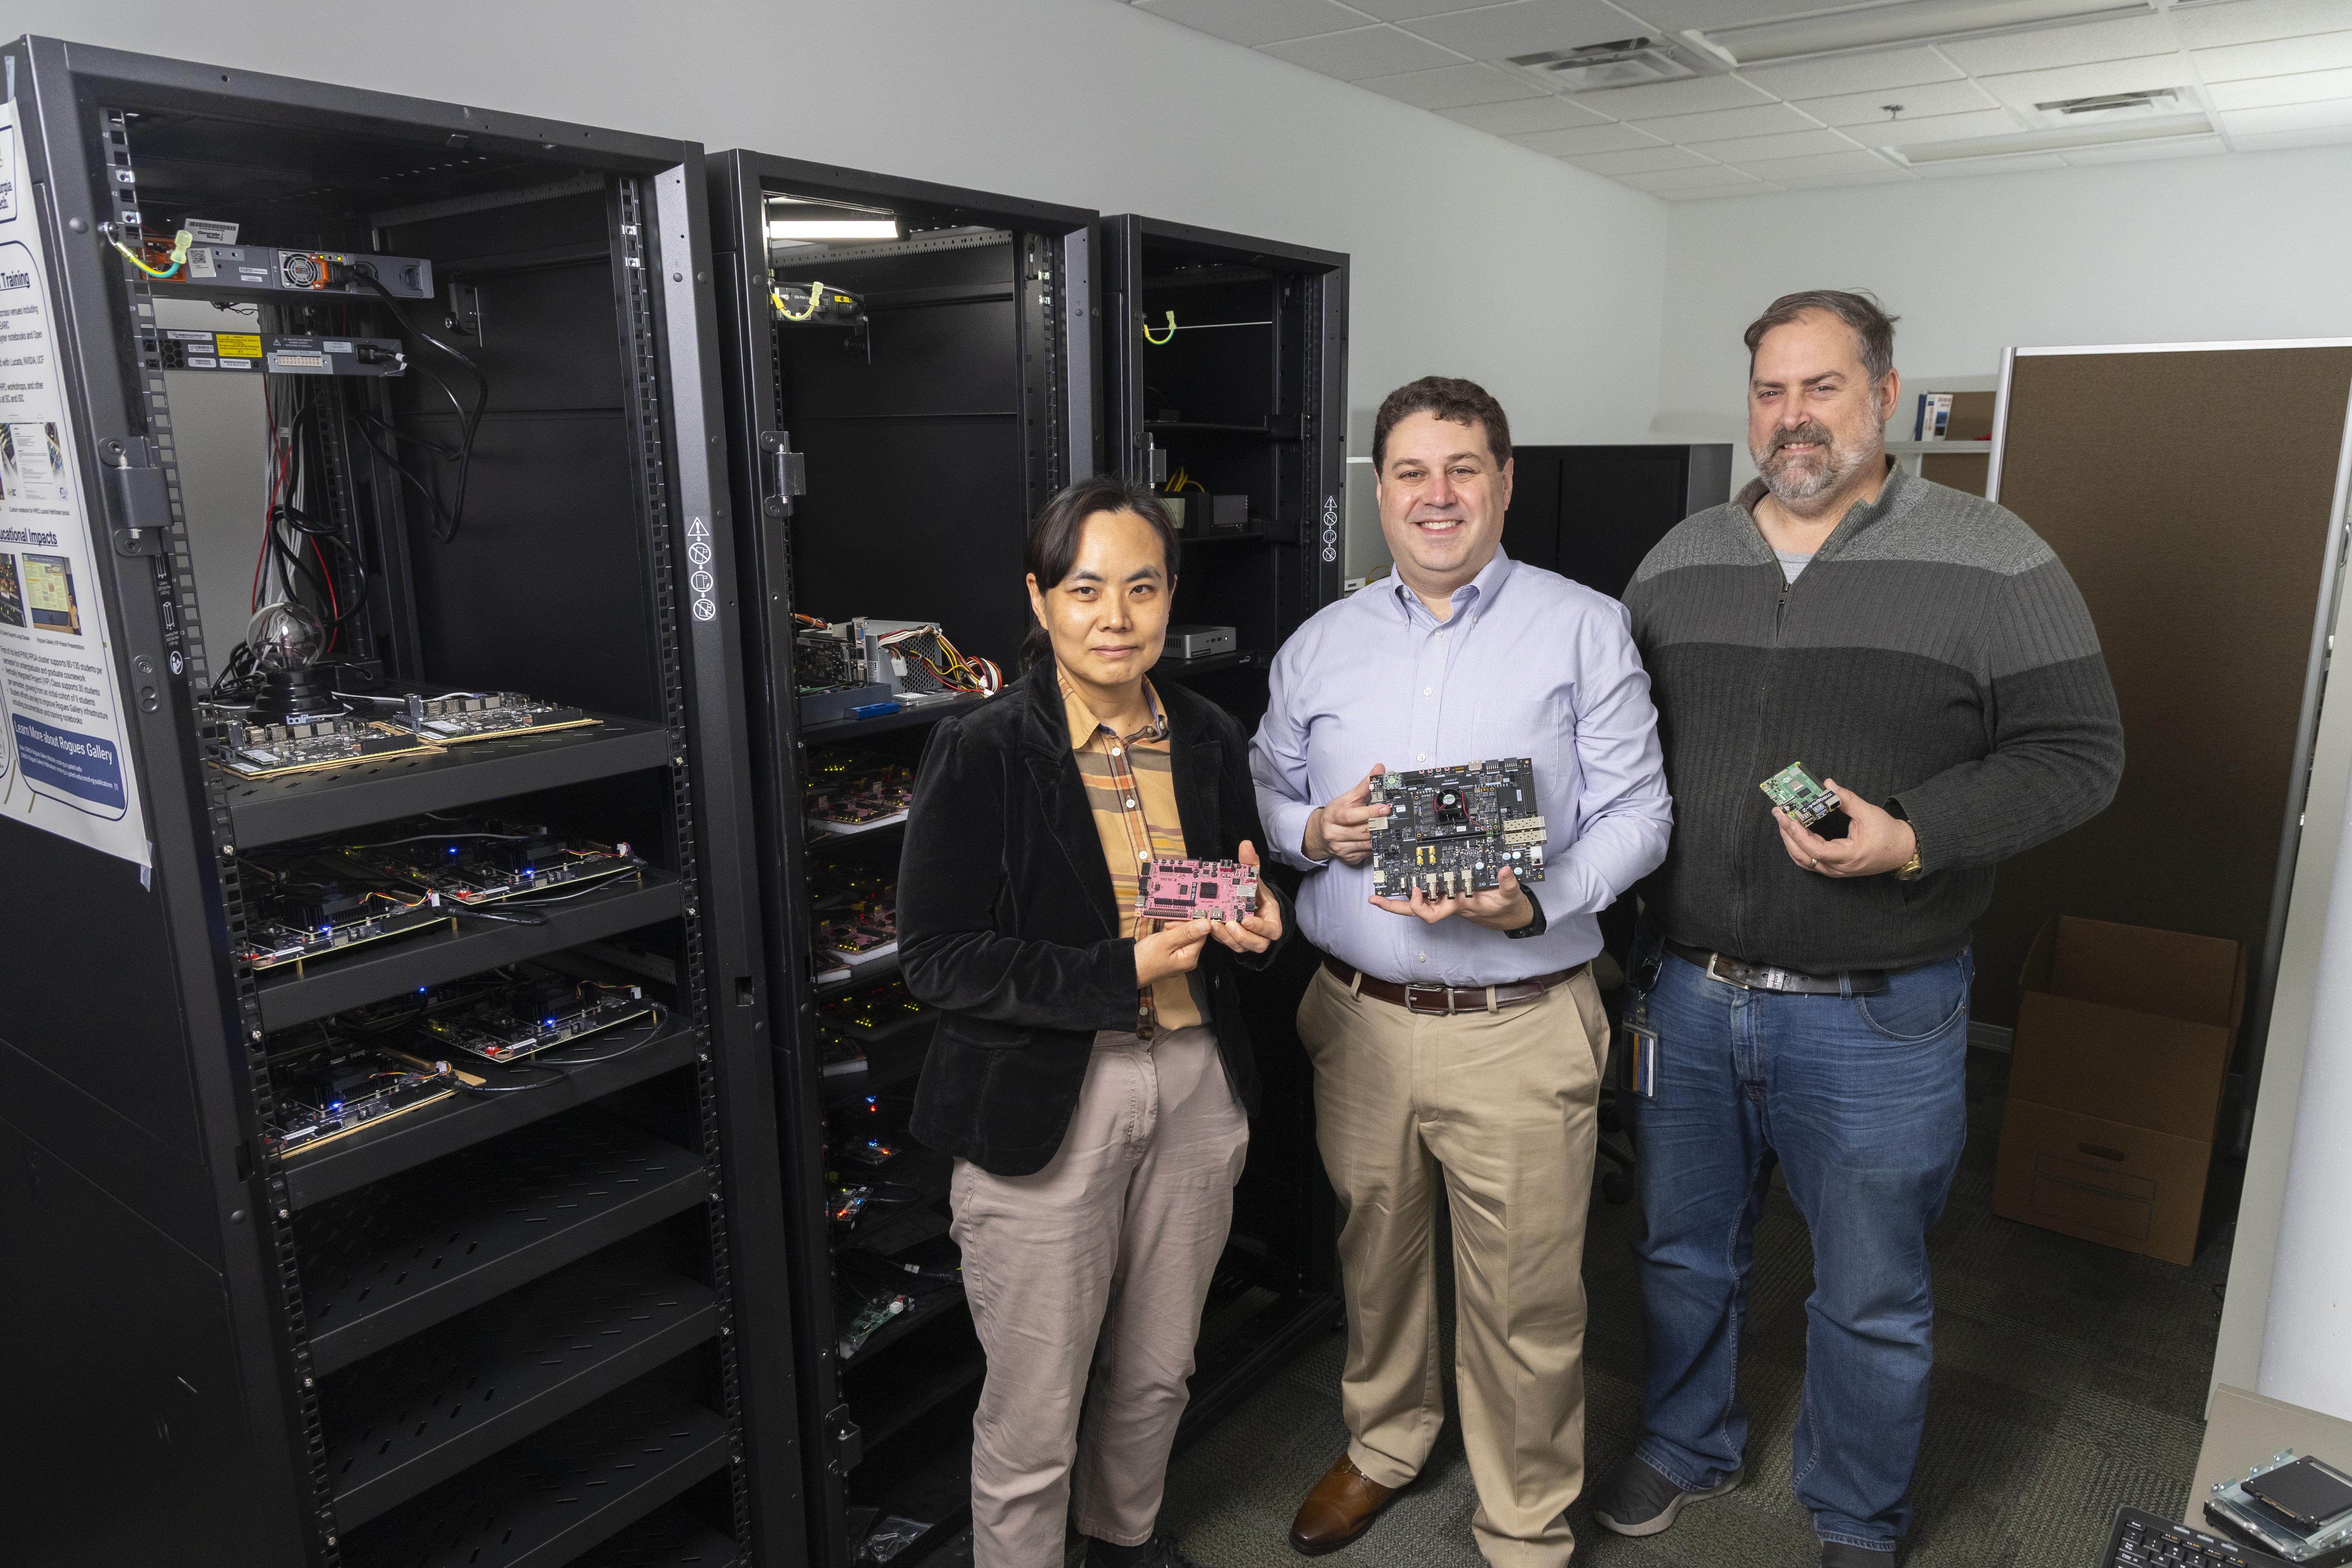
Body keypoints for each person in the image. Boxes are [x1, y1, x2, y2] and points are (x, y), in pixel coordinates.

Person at [1589, 291, 2124, 1566]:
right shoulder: (1680, 558)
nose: (1792, 418)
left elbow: (2081, 754)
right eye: (1771, 392)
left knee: (1873, 1293)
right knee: (1677, 1249)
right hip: (1694, 992)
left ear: (1884, 394)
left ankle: (1856, 1513)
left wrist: (1916, 830)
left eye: (1822, 388)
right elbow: (1616, 750)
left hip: (1881, 1006)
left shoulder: (1996, 558)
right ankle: (1687, 1437)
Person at [1252, 376, 1673, 1567]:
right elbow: (1268, 782)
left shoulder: (1584, 626)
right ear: (1378, 489)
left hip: (1521, 1018)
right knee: (1373, 1261)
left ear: (1504, 482)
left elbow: (1641, 813)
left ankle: (1526, 1519)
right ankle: (1386, 1444)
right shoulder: (1320, 643)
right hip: (1360, 1022)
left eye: (1464, 468)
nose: (1438, 495)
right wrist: (1308, 833)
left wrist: (1534, 899)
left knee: (1528, 1297)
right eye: (1411, 472)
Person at [900, 473, 1291, 1568]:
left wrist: (1261, 920)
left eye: (1141, 588)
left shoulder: (1210, 734)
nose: (1115, 618)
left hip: (1197, 1080)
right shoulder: (982, 749)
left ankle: (1121, 1540)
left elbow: (1230, 889)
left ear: (1170, 597)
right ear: (1039, 601)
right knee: (1035, 1407)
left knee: (1160, 1367)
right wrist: (1114, 974)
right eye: (1084, 590)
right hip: (1048, 1098)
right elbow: (936, 957)